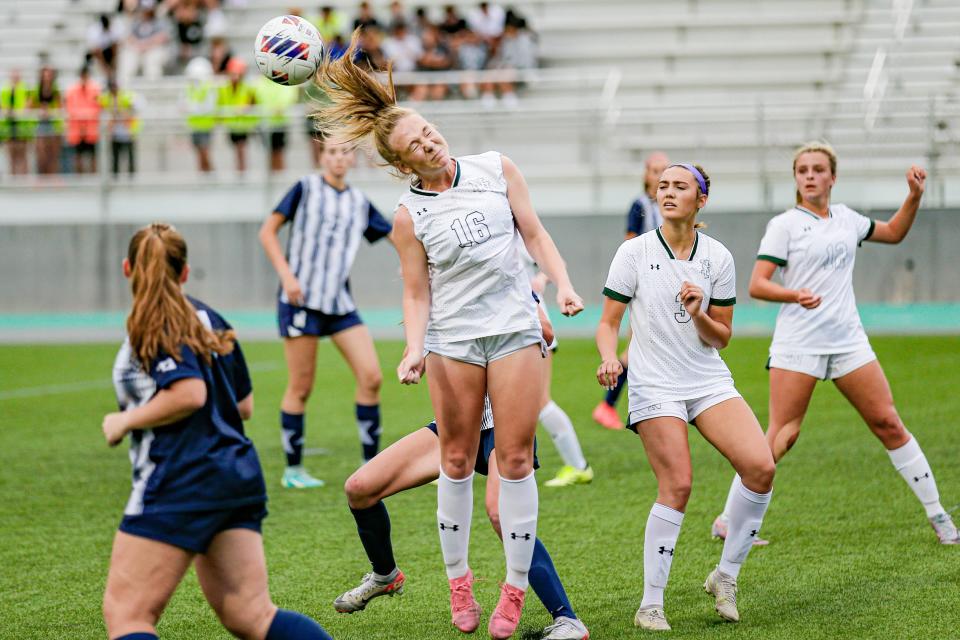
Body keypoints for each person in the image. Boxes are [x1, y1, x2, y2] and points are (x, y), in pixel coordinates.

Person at [315, 30, 584, 639]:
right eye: (415, 144)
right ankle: (455, 585)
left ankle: (530, 602)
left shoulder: (496, 168)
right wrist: (414, 347)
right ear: (401, 163)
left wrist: (561, 285)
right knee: (449, 462)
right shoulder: (409, 216)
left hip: (514, 334)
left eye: (429, 131)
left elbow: (536, 235)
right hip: (455, 346)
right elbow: (416, 292)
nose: (429, 143)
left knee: (511, 470)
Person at [710, 141, 959, 545]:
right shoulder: (785, 225)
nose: (809, 175)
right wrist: (796, 295)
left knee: (889, 423)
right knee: (782, 436)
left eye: (817, 169)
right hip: (798, 344)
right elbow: (757, 284)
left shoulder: (847, 219)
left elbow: (894, 233)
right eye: (802, 169)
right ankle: (727, 520)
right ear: (796, 178)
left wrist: (913, 197)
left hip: (848, 342)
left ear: (833, 177)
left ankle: (939, 515)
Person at [101, 222, 332, 640]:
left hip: (181, 478)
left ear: (126, 269)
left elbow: (189, 394)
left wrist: (124, 420)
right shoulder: (209, 317)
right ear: (185, 272)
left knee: (127, 615)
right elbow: (243, 405)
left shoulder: (154, 321)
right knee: (252, 615)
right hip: (234, 473)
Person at [334, 307, 590, 640]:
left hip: (505, 424)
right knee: (359, 488)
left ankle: (567, 620)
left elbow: (546, 331)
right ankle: (385, 575)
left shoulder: (499, 271)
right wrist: (416, 353)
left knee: (501, 514)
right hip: (456, 428)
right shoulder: (428, 295)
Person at [596, 163, 776, 630]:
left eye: (680, 186)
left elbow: (722, 338)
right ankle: (650, 604)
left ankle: (726, 576)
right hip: (654, 383)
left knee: (761, 468)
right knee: (677, 486)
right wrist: (608, 358)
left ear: (701, 200)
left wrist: (698, 312)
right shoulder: (633, 252)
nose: (668, 192)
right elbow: (607, 322)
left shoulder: (717, 257)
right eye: (663, 186)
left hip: (706, 380)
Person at [258, 139, 392, 488]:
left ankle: (370, 466)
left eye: (345, 152)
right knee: (301, 386)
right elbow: (268, 232)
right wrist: (287, 275)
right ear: (322, 156)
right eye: (331, 152)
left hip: (339, 305)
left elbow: (396, 236)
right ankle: (293, 470)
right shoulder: (304, 189)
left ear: (352, 159)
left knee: (372, 377)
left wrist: (417, 259)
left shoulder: (359, 202)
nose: (338, 158)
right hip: (301, 301)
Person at [593, 151, 670, 430]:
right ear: (646, 175)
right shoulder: (639, 205)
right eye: (655, 170)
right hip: (645, 286)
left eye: (665, 170)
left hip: (663, 285)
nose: (660, 175)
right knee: (633, 350)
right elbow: (630, 243)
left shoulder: (670, 206)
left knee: (641, 348)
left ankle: (617, 406)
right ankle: (609, 405)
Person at [218, 58, 257, 173]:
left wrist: (246, 108)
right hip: (231, 125)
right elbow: (221, 105)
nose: (235, 77)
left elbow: (253, 103)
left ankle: (242, 172)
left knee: (241, 150)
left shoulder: (248, 88)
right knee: (237, 151)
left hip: (244, 126)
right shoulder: (224, 89)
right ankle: (240, 172)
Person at [255, 74, 299, 172]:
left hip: (280, 121)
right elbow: (259, 95)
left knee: (279, 152)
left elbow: (289, 94)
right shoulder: (262, 81)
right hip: (266, 121)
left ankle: (279, 176)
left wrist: (281, 107)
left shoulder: (282, 77)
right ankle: (273, 178)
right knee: (269, 152)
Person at [100, 77, 141, 176]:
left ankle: (132, 177)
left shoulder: (126, 96)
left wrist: (124, 113)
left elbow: (135, 108)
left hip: (127, 129)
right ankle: (115, 176)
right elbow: (103, 112)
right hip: (115, 130)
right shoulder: (106, 98)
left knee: (130, 156)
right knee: (115, 157)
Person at [64, 66, 101, 174]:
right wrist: (82, 119)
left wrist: (85, 117)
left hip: (91, 129)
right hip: (77, 129)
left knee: (93, 157)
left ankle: (93, 180)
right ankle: (79, 180)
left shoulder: (95, 89)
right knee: (78, 156)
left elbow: (98, 107)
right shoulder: (72, 90)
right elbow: (70, 108)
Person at [184, 56, 217, 173]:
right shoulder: (190, 87)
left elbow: (209, 106)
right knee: (198, 152)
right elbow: (183, 103)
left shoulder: (208, 88)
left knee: (204, 152)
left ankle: (209, 174)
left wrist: (193, 108)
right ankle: (202, 176)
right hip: (195, 125)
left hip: (205, 125)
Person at [1, 69, 35, 175]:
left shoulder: (26, 90)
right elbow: (2, 106)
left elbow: (28, 106)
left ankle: (24, 180)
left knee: (22, 155)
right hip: (9, 127)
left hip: (22, 127)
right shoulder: (5, 90)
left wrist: (17, 112)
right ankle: (13, 179)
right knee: (11, 156)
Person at [31, 65, 64, 175]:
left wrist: (50, 110)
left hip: (53, 124)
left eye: (49, 75)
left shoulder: (56, 90)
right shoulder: (36, 90)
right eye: (45, 75)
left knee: (53, 153)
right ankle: (42, 178)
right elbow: (30, 106)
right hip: (40, 124)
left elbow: (60, 107)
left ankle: (53, 176)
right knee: (41, 153)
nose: (47, 77)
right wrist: (40, 109)